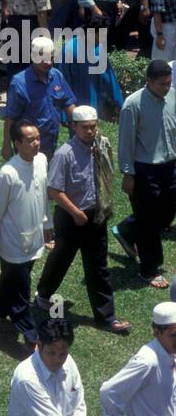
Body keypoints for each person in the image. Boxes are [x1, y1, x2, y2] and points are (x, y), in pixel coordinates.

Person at [35, 105, 130, 334]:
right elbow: (54, 190)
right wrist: (75, 212)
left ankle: (106, 317)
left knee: (98, 265)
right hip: (70, 216)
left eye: (93, 127)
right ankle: (44, 293)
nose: (91, 131)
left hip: (95, 214)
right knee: (61, 257)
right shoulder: (64, 154)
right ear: (74, 126)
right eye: (85, 128)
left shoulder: (100, 147)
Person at [0, 121, 49, 349]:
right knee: (22, 289)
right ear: (17, 143)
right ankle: (30, 336)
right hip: (13, 241)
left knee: (13, 278)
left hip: (35, 235)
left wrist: (47, 226)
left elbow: (44, 195)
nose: (36, 143)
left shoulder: (42, 161)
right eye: (30, 140)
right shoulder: (7, 173)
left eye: (37, 138)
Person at [113, 59, 176, 288]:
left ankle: (127, 229)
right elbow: (126, 142)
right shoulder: (133, 104)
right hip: (145, 168)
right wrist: (128, 173)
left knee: (167, 211)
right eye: (162, 84)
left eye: (169, 83)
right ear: (148, 81)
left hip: (170, 164)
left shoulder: (173, 97)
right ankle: (149, 269)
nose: (166, 88)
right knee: (149, 221)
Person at [99, 303, 176, 416]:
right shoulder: (147, 361)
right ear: (157, 332)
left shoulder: (171, 352)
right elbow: (108, 392)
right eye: (174, 335)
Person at [7, 317, 88, 416]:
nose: (57, 360)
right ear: (39, 345)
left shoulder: (69, 362)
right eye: (51, 353)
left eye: (62, 354)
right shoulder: (27, 379)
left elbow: (78, 403)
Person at [3, 30, 76, 161]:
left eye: (51, 58)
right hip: (29, 146)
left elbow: (68, 103)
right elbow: (10, 117)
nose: (48, 62)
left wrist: (83, 121)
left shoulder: (56, 75)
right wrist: (6, 145)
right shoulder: (19, 83)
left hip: (50, 142)